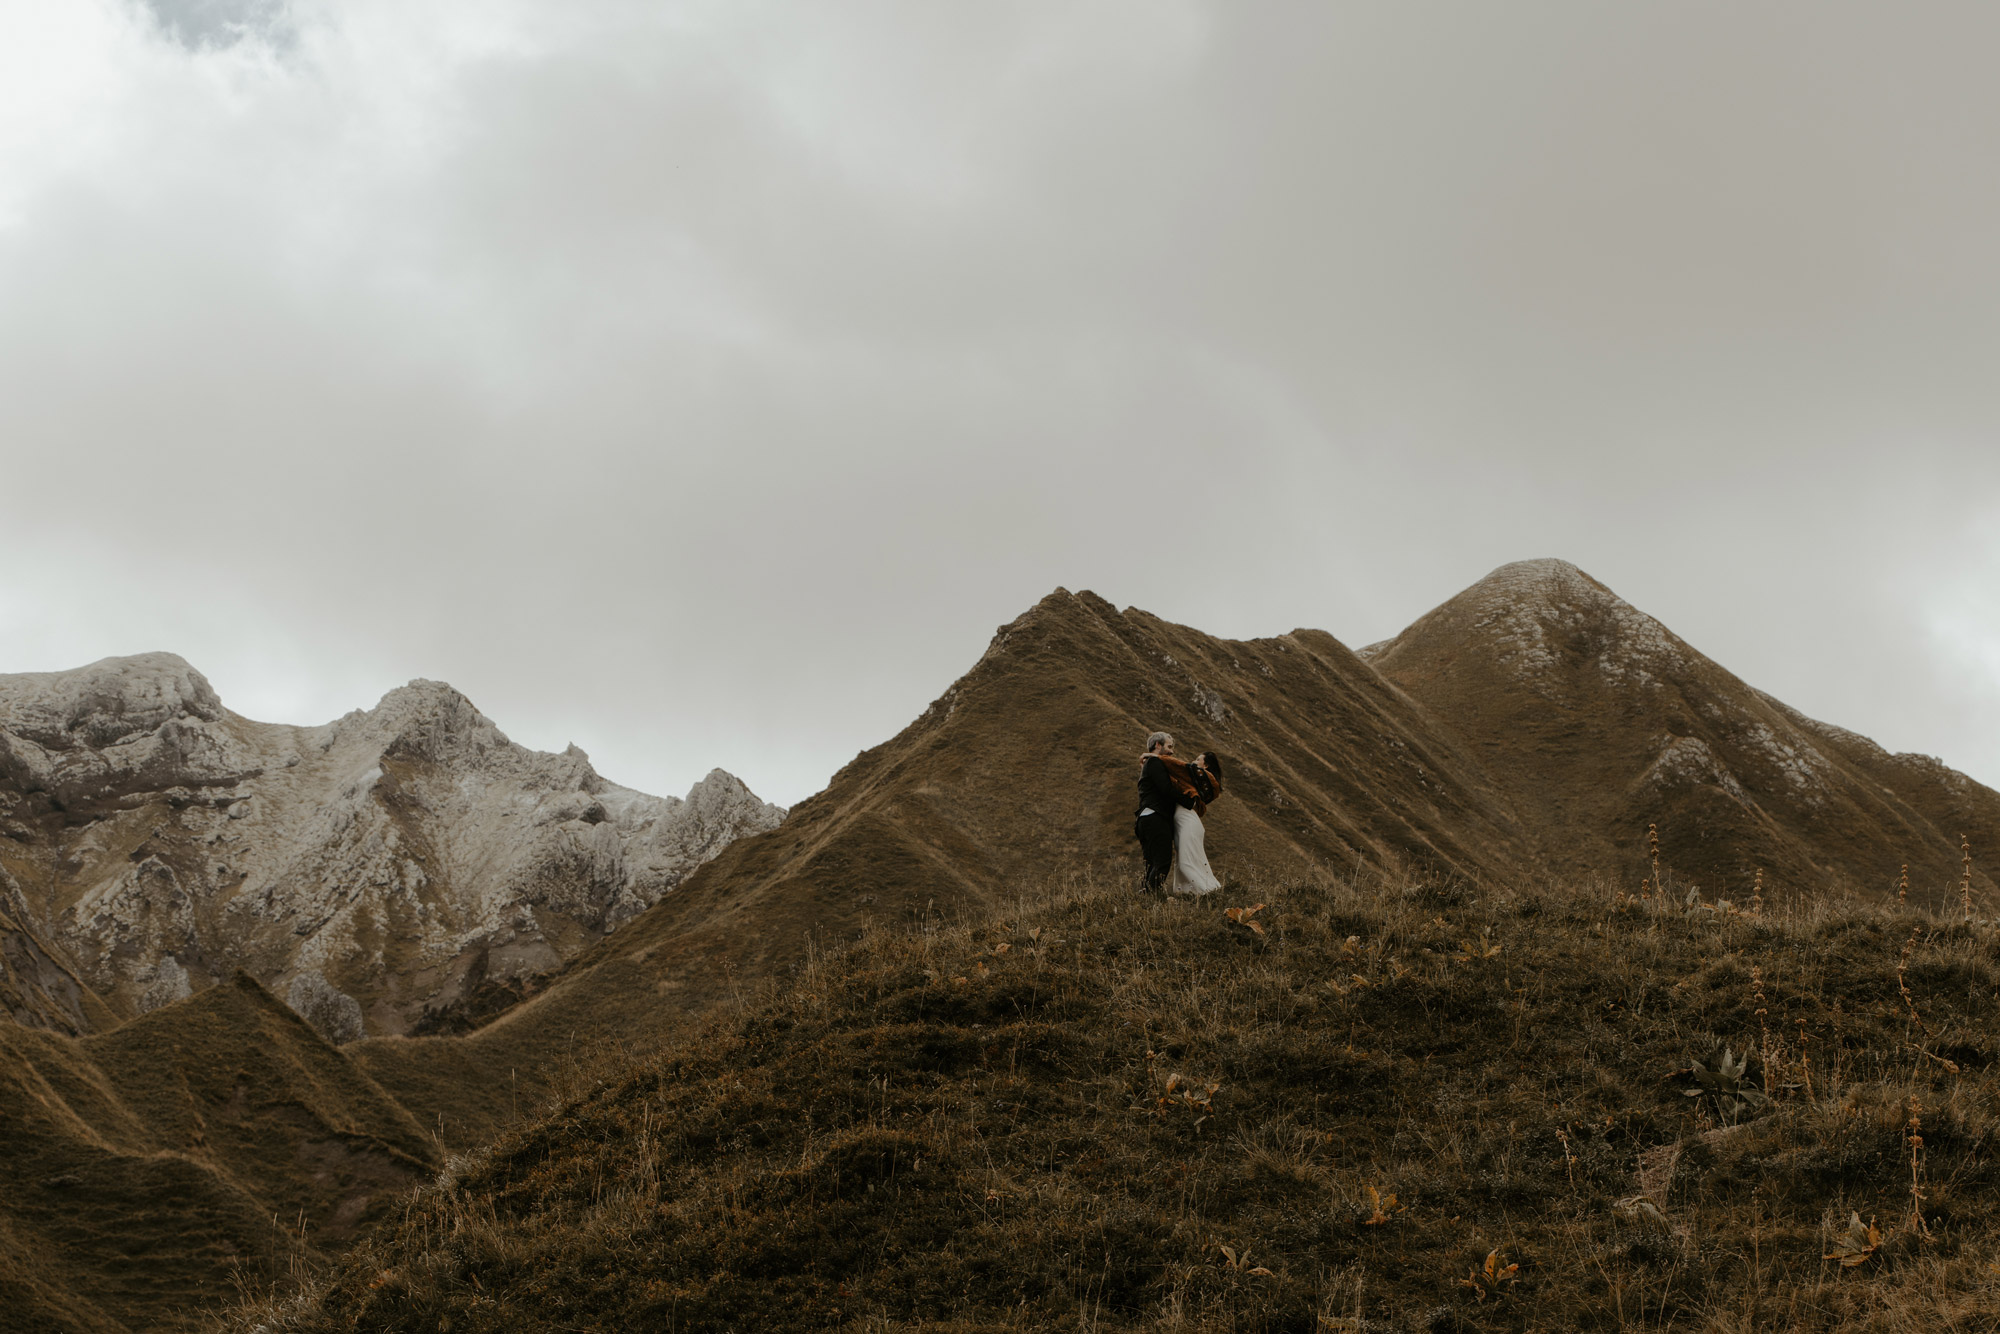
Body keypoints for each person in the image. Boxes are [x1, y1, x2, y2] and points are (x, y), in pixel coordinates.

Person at [1134, 731, 1196, 893]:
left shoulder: (1149, 764)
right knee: (1162, 862)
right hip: (1156, 818)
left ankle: (1145, 897)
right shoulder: (1154, 763)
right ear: (1158, 745)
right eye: (1169, 746)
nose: (1172, 751)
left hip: (1145, 819)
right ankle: (1152, 896)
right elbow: (1166, 789)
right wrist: (1190, 802)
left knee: (1151, 864)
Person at [1163, 751, 1225, 895]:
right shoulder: (1193, 781)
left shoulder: (1199, 776)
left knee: (1185, 863)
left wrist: (1155, 757)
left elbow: (1178, 766)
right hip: (1185, 822)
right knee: (1185, 863)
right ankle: (1188, 894)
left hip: (1188, 822)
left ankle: (1208, 894)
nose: (1194, 762)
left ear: (1206, 765)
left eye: (1198, 759)